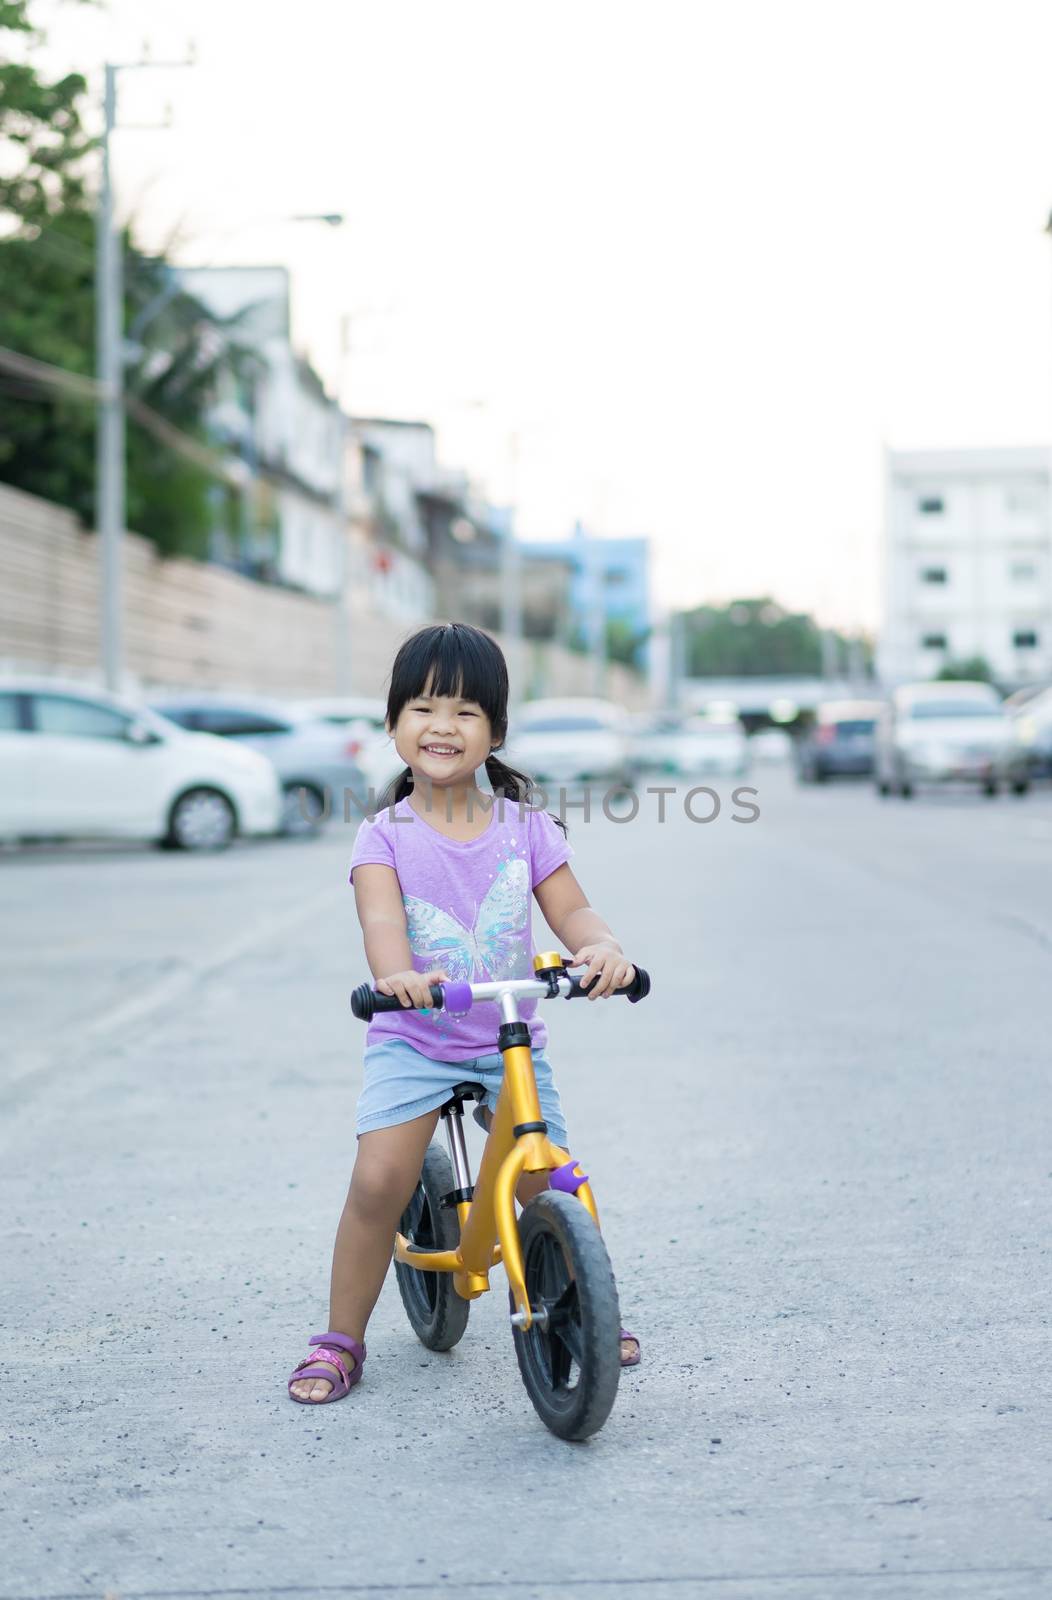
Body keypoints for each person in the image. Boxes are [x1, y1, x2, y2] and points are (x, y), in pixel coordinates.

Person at [288, 621, 641, 1404]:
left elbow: (574, 913)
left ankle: (588, 1301)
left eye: (465, 712)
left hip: (504, 1035)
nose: (442, 726)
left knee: (550, 1176)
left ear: (497, 731)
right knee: (380, 1179)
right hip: (416, 1037)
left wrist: (604, 949)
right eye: (422, 707)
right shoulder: (384, 835)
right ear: (392, 724)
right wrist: (398, 975)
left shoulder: (527, 830)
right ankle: (341, 1338)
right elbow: (382, 922)